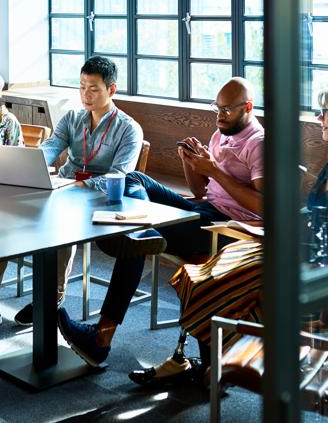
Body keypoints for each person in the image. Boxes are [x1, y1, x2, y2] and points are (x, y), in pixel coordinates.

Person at [131, 84, 328, 389]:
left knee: (213, 282)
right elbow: (313, 218)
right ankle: (204, 364)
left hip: (325, 284)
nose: (320, 117)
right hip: (302, 259)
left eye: (327, 111)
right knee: (205, 271)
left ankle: (212, 368)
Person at [55, 77, 264, 368]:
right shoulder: (221, 135)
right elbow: (200, 192)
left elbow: (263, 206)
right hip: (204, 208)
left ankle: (102, 336)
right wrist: (191, 164)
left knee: (138, 239)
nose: (219, 116)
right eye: (217, 109)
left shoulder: (259, 145)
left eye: (226, 110)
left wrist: (215, 171)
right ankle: (139, 228)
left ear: (248, 108)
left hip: (230, 228)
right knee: (135, 179)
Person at [0, 56, 144, 328]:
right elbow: (50, 148)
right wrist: (29, 164)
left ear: (112, 90)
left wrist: (78, 184)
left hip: (101, 200)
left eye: (93, 88)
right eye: (82, 86)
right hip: (63, 190)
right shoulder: (72, 118)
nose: (86, 94)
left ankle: (49, 300)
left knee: (62, 226)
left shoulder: (128, 129)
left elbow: (119, 176)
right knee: (0, 218)